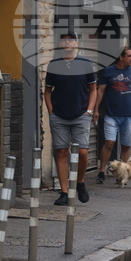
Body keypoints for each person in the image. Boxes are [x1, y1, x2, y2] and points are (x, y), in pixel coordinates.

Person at [44, 32, 96, 206]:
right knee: (61, 152)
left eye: (70, 40)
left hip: (81, 114)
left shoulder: (86, 64)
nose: (67, 43)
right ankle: (64, 192)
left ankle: (80, 182)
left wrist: (89, 110)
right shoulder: (54, 64)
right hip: (59, 115)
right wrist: (51, 112)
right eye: (64, 40)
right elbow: (48, 91)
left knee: (82, 152)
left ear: (76, 43)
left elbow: (93, 89)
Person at [95, 48, 131, 184]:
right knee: (109, 143)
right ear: (121, 57)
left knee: (126, 146)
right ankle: (101, 171)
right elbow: (100, 91)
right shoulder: (108, 71)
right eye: (129, 56)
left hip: (129, 115)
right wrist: (96, 109)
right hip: (111, 114)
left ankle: (123, 174)